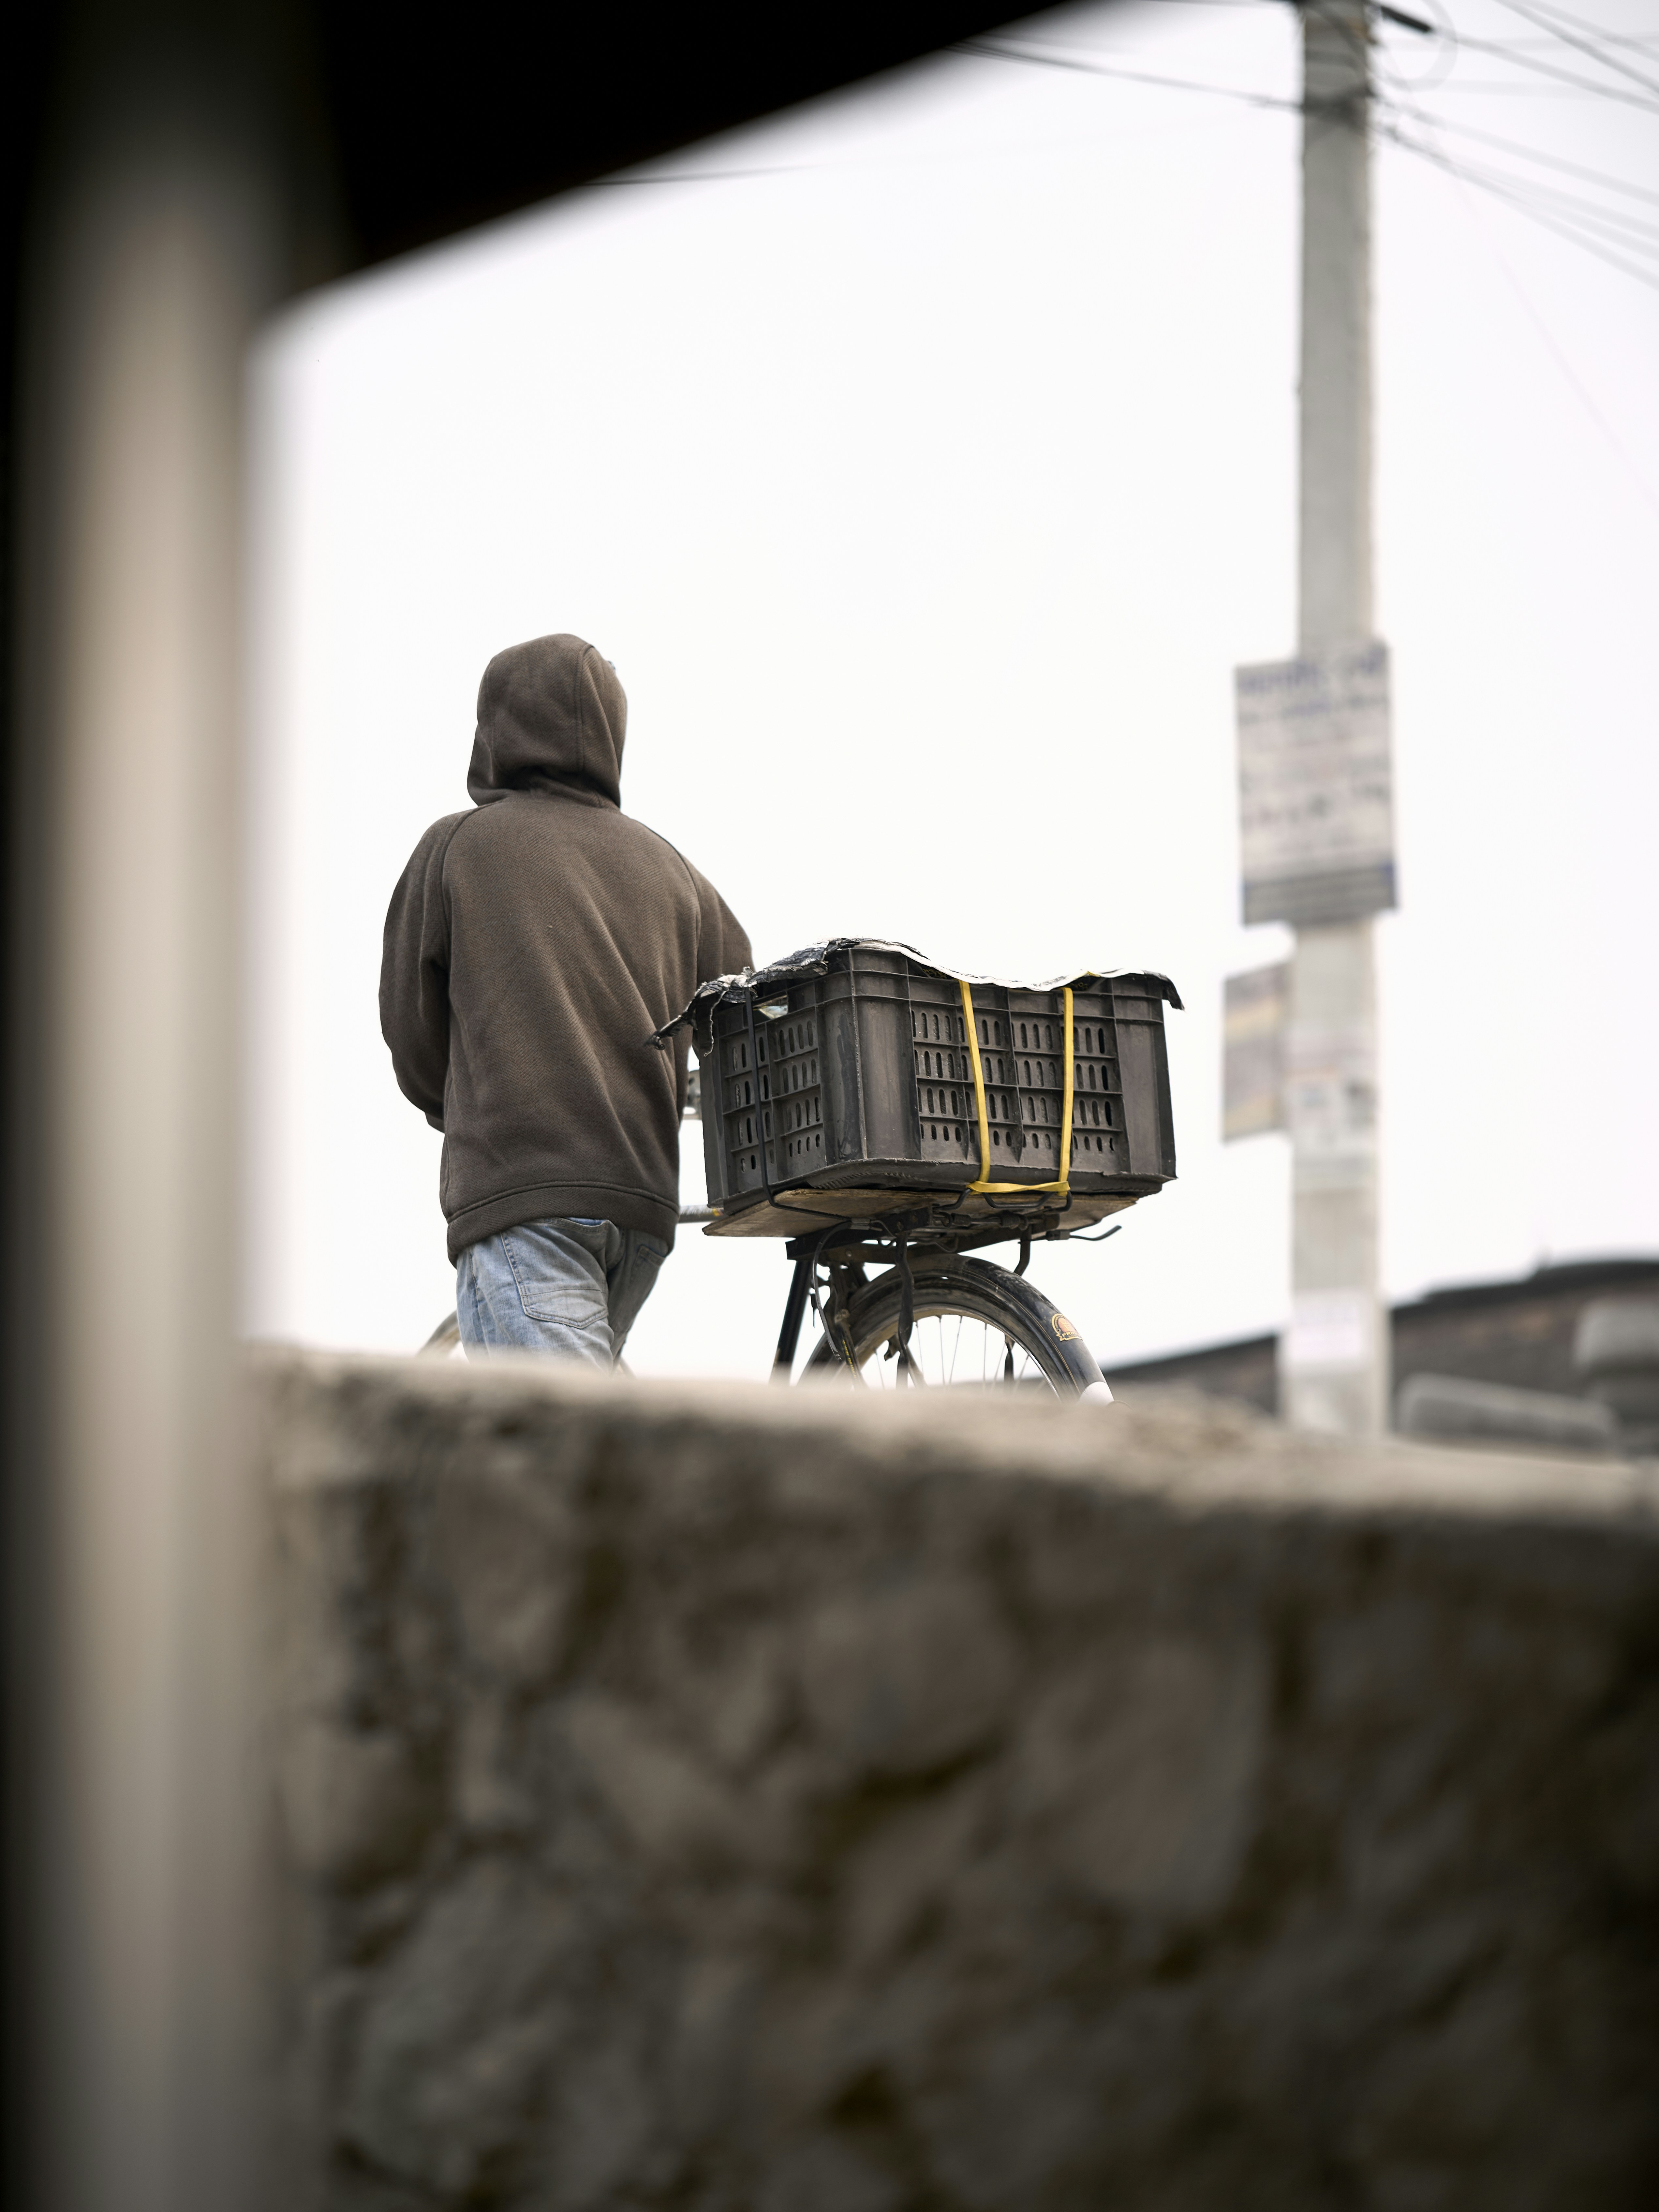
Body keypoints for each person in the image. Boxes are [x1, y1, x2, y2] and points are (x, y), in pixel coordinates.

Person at [381, 633, 749, 1363]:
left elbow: (410, 1027)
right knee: (583, 1431)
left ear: (494, 732)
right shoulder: (674, 871)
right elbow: (741, 994)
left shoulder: (458, 847)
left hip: (525, 1194)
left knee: (577, 1462)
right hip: (641, 1207)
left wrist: (456, 1105)